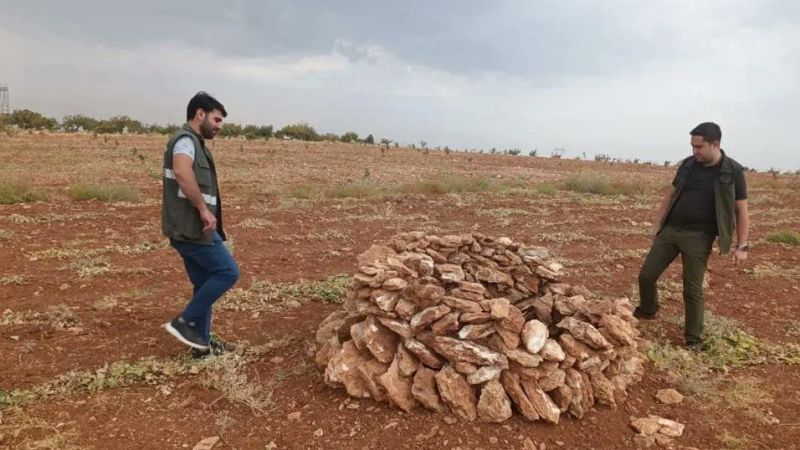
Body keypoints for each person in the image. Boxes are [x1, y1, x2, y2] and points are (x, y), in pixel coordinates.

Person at [635, 122, 749, 351]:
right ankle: (649, 310)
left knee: (692, 288)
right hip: (671, 230)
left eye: (699, 147)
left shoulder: (732, 170)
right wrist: (657, 223)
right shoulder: (688, 164)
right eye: (692, 146)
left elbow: (741, 209)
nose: (694, 151)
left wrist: (742, 246)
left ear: (715, 144)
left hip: (699, 236)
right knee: (646, 276)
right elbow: (671, 193)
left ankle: (694, 339)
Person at [162, 91, 239, 357]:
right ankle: (185, 322)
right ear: (200, 114)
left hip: (190, 228)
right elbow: (182, 172)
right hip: (193, 228)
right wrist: (203, 210)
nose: (219, 127)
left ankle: (201, 347)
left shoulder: (195, 143)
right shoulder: (186, 141)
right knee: (228, 273)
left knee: (204, 283)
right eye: (216, 120)